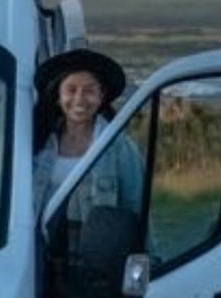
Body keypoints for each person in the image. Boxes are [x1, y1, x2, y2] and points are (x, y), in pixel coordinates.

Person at [32, 47, 143, 223]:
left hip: (92, 248)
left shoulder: (119, 148)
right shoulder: (35, 141)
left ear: (101, 96)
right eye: (71, 90)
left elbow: (137, 208)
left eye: (89, 91)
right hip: (35, 246)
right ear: (58, 96)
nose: (79, 99)